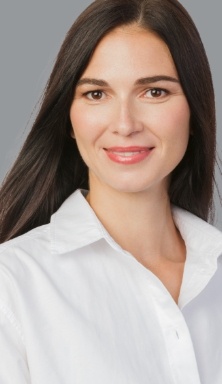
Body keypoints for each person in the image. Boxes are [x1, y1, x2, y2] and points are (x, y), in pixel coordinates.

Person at [0, 0, 221, 382]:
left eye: (154, 92)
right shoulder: (13, 286)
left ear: (195, 110)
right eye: (96, 94)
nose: (124, 124)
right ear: (68, 119)